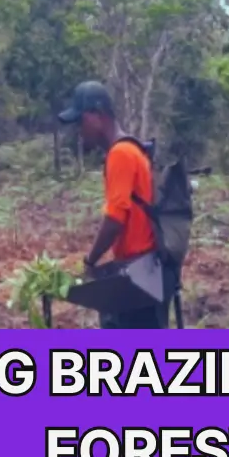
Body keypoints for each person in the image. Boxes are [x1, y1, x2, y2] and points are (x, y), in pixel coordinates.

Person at [59, 80, 170, 328]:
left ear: (97, 115)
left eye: (80, 122)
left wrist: (90, 261)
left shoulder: (120, 154)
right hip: (147, 271)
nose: (79, 130)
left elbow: (114, 220)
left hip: (138, 275)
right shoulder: (133, 149)